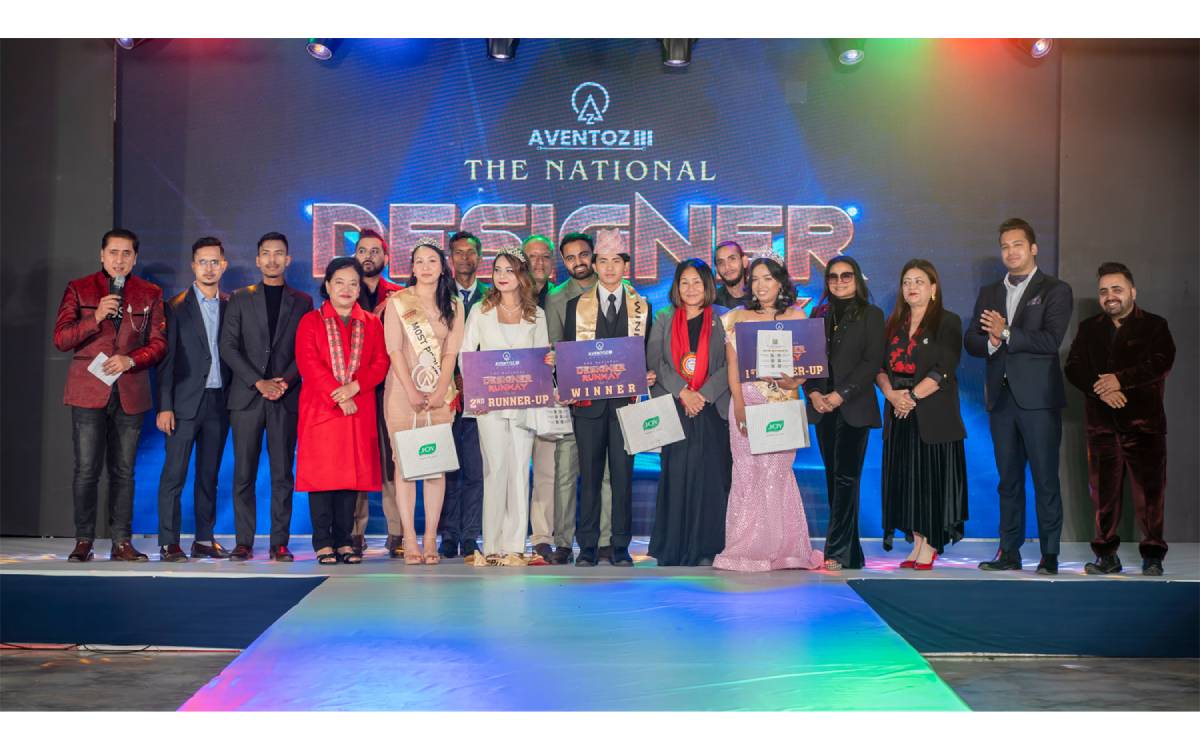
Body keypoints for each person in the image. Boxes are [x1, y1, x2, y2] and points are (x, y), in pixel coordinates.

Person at [965, 218, 1073, 575]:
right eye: (1005, 247)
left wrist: (1007, 332)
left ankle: (1050, 554)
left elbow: (1051, 340)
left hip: (1039, 401)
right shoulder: (990, 292)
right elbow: (972, 340)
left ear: (1033, 248)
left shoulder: (1055, 289)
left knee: (1045, 479)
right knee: (1008, 482)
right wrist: (992, 341)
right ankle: (1008, 551)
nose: (1011, 252)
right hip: (1002, 401)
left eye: (1018, 245)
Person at [53, 228, 167, 562]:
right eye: (113, 253)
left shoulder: (150, 293)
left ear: (135, 258)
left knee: (124, 471)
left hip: (130, 391)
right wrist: (96, 316)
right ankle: (84, 540)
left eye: (126, 253)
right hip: (88, 392)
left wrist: (131, 360)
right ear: (102, 255)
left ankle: (121, 542)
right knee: (87, 470)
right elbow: (61, 339)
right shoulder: (79, 288)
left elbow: (159, 344)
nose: (119, 260)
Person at [1065, 263, 1176, 576]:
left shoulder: (1155, 325)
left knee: (1150, 496)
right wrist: (1101, 389)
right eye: (1103, 291)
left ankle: (1152, 556)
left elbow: (1161, 363)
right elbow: (1073, 367)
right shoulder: (1089, 328)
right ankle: (1106, 556)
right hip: (1102, 427)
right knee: (1103, 497)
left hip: (1145, 427)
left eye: (1116, 289)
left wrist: (1120, 380)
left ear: (1132, 292)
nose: (1110, 296)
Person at [713, 255, 823, 572]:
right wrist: (738, 405)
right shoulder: (736, 317)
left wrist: (796, 381)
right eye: (756, 279)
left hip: (782, 402)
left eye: (768, 278)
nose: (761, 285)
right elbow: (733, 366)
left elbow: (806, 363)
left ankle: (782, 549)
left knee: (776, 474)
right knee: (746, 474)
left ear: (780, 282)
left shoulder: (797, 316)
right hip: (747, 400)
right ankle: (745, 547)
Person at [561, 228, 655, 567]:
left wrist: (648, 373)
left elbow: (647, 354)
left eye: (617, 261)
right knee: (588, 477)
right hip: (588, 408)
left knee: (622, 478)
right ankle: (587, 546)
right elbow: (570, 356)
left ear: (625, 265)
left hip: (626, 406)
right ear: (595, 265)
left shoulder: (643, 307)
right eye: (603, 261)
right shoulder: (575, 307)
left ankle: (619, 546)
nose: (610, 268)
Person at [219, 231, 314, 562]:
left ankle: (279, 543)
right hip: (247, 397)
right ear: (258, 260)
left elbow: (305, 350)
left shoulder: (302, 301)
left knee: (282, 474)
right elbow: (228, 347)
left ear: (288, 260)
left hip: (285, 398)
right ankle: (243, 541)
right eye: (266, 254)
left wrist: (283, 382)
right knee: (243, 473)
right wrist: (258, 382)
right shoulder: (239, 299)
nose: (273, 259)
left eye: (279, 254)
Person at [459, 249, 552, 565]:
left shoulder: (536, 314)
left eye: (509, 270)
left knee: (519, 469)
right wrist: (476, 391)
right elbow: (466, 354)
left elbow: (542, 357)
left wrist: (550, 361)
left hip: (524, 402)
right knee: (495, 469)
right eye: (497, 269)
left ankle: (515, 545)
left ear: (521, 275)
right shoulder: (481, 311)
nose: (502, 276)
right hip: (490, 403)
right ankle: (493, 544)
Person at [295, 258, 390, 565]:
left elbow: (380, 363)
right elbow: (308, 363)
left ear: (360, 288)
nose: (346, 289)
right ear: (327, 285)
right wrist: (339, 394)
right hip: (322, 409)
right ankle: (323, 542)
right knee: (322, 479)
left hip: (357, 408)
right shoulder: (311, 321)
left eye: (353, 283)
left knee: (350, 479)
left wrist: (354, 388)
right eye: (339, 282)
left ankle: (344, 541)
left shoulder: (371, 323)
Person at [875, 260, 968, 570]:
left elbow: (944, 369)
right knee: (907, 481)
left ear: (933, 288)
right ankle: (916, 542)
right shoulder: (893, 324)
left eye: (918, 281)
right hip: (899, 413)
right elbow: (879, 367)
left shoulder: (947, 321)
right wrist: (892, 395)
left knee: (930, 481)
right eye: (906, 282)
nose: (911, 287)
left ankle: (930, 543)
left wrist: (911, 397)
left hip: (932, 413)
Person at [383, 241, 465, 564]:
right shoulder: (398, 302)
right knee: (404, 466)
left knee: (434, 466)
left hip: (439, 395)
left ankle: (430, 537)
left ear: (443, 267)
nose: (426, 267)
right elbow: (394, 350)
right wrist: (412, 392)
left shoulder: (454, 304)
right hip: (402, 394)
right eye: (420, 261)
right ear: (412, 268)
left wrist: (441, 390)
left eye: (433, 260)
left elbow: (450, 353)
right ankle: (409, 538)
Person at [646, 259, 731, 566]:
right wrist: (684, 392)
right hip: (675, 405)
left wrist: (702, 395)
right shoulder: (664, 317)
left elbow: (729, 365)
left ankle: (707, 548)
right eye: (684, 282)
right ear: (676, 287)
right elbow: (655, 362)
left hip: (712, 408)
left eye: (697, 282)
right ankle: (674, 547)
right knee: (676, 475)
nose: (691, 288)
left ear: (707, 285)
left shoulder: (723, 317)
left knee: (711, 478)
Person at [804, 256, 885, 570]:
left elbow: (872, 361)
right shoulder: (818, 314)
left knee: (846, 478)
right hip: (823, 408)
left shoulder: (871, 314)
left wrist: (841, 394)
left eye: (846, 276)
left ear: (857, 279)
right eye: (833, 277)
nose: (839, 282)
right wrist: (813, 392)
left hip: (853, 406)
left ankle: (836, 551)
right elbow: (806, 359)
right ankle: (850, 553)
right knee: (833, 478)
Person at [155, 237, 232, 562]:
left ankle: (203, 539)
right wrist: (165, 406)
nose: (209, 268)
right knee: (174, 475)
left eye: (215, 262)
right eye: (203, 262)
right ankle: (168, 542)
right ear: (193, 266)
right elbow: (166, 361)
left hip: (219, 402)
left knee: (208, 476)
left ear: (223, 265)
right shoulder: (175, 307)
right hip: (184, 404)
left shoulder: (232, 305)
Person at [544, 232, 614, 564]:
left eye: (584, 255)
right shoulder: (557, 298)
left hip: (610, 397)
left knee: (606, 473)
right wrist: (562, 386)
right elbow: (554, 347)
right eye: (570, 258)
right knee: (565, 472)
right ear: (563, 261)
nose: (578, 262)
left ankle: (605, 540)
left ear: (593, 255)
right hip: (572, 400)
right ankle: (562, 541)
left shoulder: (615, 290)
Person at [351, 229, 406, 558]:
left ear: (385, 257)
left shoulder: (401, 295)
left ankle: (397, 532)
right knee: (356, 461)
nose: (368, 256)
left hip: (391, 389)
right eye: (362, 251)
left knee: (392, 462)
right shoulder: (343, 293)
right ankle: (355, 532)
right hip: (354, 391)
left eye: (375, 251)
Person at [439, 230, 488, 559]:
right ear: (450, 258)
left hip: (481, 395)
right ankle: (448, 535)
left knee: (475, 469)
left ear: (479, 258)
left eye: (471, 252)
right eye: (459, 252)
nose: (465, 258)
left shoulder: (492, 295)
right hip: (444, 394)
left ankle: (470, 535)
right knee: (447, 467)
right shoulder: (437, 294)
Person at [523, 234, 559, 562]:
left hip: (551, 395)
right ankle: (507, 534)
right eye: (531, 256)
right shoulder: (503, 297)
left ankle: (542, 536)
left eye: (545, 256)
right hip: (512, 396)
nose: (538, 263)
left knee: (547, 469)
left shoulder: (561, 299)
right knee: (511, 469)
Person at [713, 240, 750, 309]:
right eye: (721, 262)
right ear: (717, 269)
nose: (727, 267)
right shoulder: (712, 302)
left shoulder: (759, 297)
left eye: (732, 259)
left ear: (744, 261)